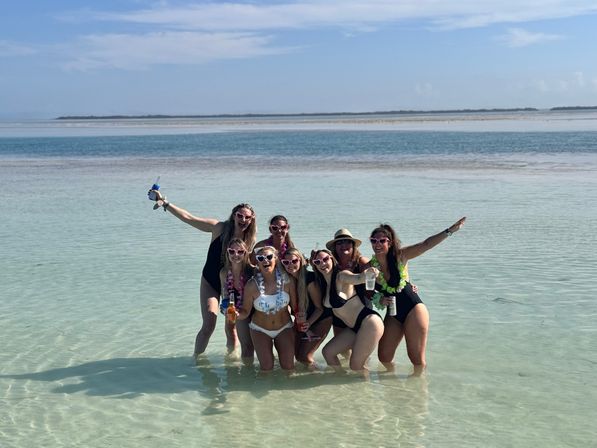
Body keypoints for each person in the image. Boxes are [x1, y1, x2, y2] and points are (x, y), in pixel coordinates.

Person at [148, 190, 257, 359]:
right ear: (234, 216)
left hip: (234, 284)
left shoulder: (250, 240)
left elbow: (253, 263)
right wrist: (165, 203)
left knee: (231, 327)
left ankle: (232, 361)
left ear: (251, 220)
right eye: (240, 216)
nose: (243, 220)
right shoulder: (219, 228)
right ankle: (197, 360)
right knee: (209, 325)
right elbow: (189, 218)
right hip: (211, 281)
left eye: (247, 217)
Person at [368, 217, 466, 375]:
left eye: (382, 240)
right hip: (393, 313)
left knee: (416, 359)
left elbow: (425, 245)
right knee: (384, 357)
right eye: (373, 241)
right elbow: (361, 284)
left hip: (413, 308)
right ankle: (392, 388)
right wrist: (379, 298)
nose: (377, 244)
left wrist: (449, 231)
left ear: (390, 242)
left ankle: (419, 390)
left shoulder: (401, 256)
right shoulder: (371, 266)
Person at [311, 249, 384, 374]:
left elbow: (357, 278)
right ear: (315, 265)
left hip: (369, 323)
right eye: (318, 262)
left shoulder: (341, 275)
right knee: (328, 353)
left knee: (356, 366)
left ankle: (366, 390)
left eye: (325, 259)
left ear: (332, 259)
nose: (322, 264)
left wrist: (367, 274)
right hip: (354, 328)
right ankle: (342, 380)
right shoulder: (323, 284)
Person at [237, 246, 297, 372]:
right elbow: (246, 312)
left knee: (289, 367)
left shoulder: (288, 281)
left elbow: (295, 307)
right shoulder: (251, 285)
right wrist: (234, 314)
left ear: (276, 259)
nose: (265, 260)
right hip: (260, 329)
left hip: (284, 327)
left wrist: (305, 322)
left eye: (269, 257)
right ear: (257, 262)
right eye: (261, 258)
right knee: (266, 368)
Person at [281, 248, 330, 368]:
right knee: (296, 355)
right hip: (304, 320)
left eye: (294, 261)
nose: (290, 265)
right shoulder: (289, 281)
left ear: (301, 261)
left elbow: (320, 308)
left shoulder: (310, 280)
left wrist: (308, 324)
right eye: (286, 262)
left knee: (304, 356)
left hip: (321, 319)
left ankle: (317, 379)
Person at [219, 238, 255, 364]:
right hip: (237, 309)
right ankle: (233, 362)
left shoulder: (252, 271)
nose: (236, 255)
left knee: (251, 345)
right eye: (232, 251)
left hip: (254, 310)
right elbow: (225, 295)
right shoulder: (224, 272)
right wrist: (224, 308)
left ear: (245, 253)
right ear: (227, 253)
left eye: (240, 252)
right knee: (234, 335)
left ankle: (251, 373)